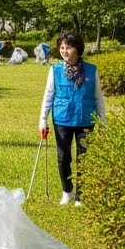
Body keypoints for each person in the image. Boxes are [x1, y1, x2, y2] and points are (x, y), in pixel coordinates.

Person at [38, 32, 107, 207]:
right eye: (62, 47)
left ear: (77, 49)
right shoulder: (55, 70)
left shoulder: (92, 70)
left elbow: (98, 97)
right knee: (63, 158)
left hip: (86, 119)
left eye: (68, 47)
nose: (64, 51)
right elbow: (48, 95)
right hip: (62, 119)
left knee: (84, 159)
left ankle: (80, 196)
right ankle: (67, 191)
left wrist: (103, 120)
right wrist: (43, 119)